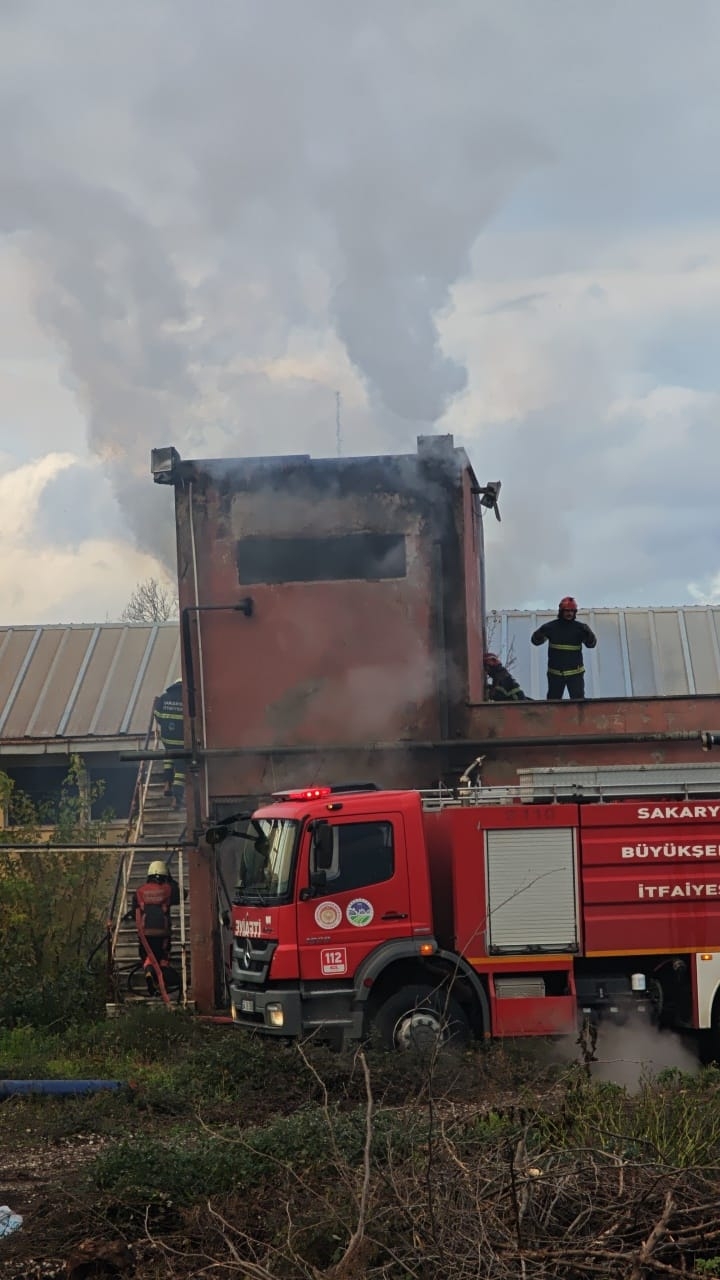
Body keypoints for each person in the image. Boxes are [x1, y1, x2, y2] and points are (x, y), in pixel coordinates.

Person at [130, 860, 181, 995]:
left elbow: (133, 911)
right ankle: (161, 983)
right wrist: (171, 880)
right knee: (163, 956)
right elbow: (182, 894)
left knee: (146, 956)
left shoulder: (139, 891)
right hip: (163, 931)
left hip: (145, 932)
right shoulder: (168, 889)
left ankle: (149, 972)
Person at [531, 597, 597, 701]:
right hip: (555, 674)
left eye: (572, 611)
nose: (569, 613)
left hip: (575, 674)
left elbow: (591, 645)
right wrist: (540, 632)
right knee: (553, 703)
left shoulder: (580, 628)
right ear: (561, 611)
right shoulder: (551, 627)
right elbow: (535, 642)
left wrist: (590, 634)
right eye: (567, 611)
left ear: (575, 612)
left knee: (578, 703)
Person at [153, 679, 184, 810]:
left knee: (169, 758)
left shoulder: (164, 698)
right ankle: (176, 800)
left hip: (167, 738)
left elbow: (157, 715)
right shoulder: (186, 699)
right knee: (181, 770)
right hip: (182, 740)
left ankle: (167, 784)